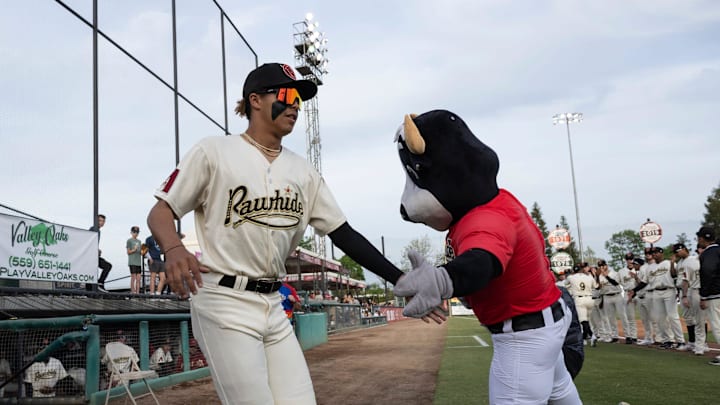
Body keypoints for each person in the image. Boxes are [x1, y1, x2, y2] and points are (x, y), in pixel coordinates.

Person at [146, 62, 404, 405]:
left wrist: (399, 279)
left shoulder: (303, 171)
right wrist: (174, 248)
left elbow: (344, 234)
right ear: (255, 100)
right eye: (287, 95)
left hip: (273, 303)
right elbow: (161, 210)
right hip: (225, 300)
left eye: (300, 98)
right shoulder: (214, 151)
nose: (296, 105)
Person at [649, 247, 686, 349]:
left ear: (662, 253)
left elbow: (674, 275)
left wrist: (672, 263)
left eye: (657, 252)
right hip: (656, 292)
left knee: (673, 316)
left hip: (669, 290)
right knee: (660, 318)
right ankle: (668, 340)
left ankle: (680, 341)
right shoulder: (650, 267)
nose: (655, 254)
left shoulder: (669, 263)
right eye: (653, 253)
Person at [676, 242, 706, 355]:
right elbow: (685, 281)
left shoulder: (708, 262)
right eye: (700, 248)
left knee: (704, 320)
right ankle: (698, 345)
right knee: (697, 319)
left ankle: (701, 345)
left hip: (704, 292)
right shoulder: (691, 263)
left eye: (703, 248)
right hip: (694, 291)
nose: (701, 250)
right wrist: (684, 296)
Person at [696, 226, 720, 365]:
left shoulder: (709, 253)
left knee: (717, 325)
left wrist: (703, 295)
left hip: (714, 294)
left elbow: (708, 273)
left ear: (702, 238)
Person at [596, 259, 630, 344]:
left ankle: (628, 336)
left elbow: (615, 283)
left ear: (606, 265)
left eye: (603, 265)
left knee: (623, 316)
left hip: (617, 295)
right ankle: (615, 336)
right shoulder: (600, 276)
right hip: (607, 297)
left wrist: (606, 275)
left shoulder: (614, 273)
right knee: (611, 318)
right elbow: (600, 288)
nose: (602, 267)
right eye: (600, 266)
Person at [565, 263, 597, 345]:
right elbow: (596, 286)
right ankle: (588, 337)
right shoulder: (589, 277)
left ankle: (589, 336)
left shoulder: (571, 277)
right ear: (582, 269)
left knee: (583, 321)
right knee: (587, 320)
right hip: (590, 298)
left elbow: (565, 283)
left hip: (579, 299)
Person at [617, 253, 638, 344]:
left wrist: (636, 277)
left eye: (631, 259)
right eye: (628, 259)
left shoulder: (638, 269)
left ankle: (653, 338)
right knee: (629, 317)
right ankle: (631, 337)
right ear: (626, 260)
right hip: (627, 292)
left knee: (648, 317)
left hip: (638, 293)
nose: (630, 261)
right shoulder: (621, 271)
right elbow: (616, 282)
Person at [89, 214, 113, 292]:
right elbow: (89, 242)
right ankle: (99, 283)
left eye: (103, 221)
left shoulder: (98, 230)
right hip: (90, 255)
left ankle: (96, 285)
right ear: (96, 221)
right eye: (100, 220)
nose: (102, 223)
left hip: (94, 255)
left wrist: (97, 249)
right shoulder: (93, 229)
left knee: (106, 266)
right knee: (107, 266)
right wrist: (95, 249)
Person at [127, 226, 143, 294]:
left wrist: (143, 251)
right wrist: (134, 249)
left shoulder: (139, 241)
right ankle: (132, 292)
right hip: (132, 261)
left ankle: (138, 292)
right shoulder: (129, 240)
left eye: (137, 232)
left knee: (139, 278)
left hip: (138, 262)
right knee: (133, 277)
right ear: (131, 232)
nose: (136, 233)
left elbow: (141, 252)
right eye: (134, 232)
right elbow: (128, 252)